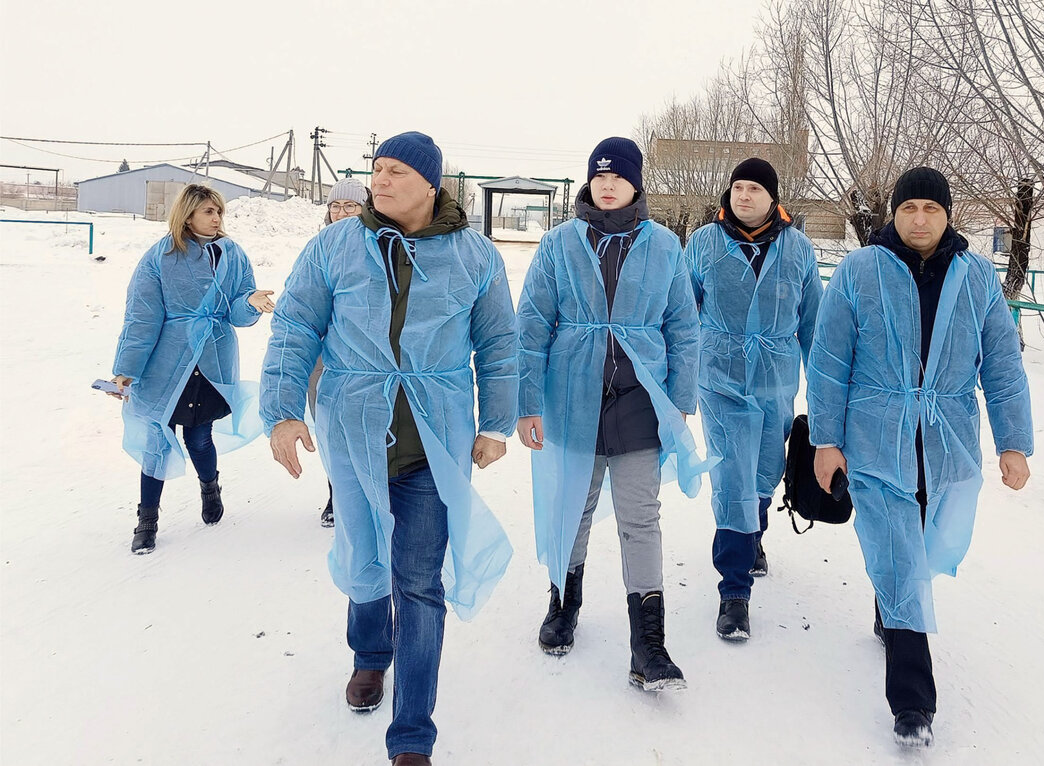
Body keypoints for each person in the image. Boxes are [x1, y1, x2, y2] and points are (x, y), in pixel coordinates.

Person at [260, 132, 517, 766]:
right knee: (363, 554)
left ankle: (412, 734)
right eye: (377, 169)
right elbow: (295, 325)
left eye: (396, 170)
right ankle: (371, 655)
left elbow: (500, 343)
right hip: (354, 429)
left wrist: (496, 425)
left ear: (432, 184)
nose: (380, 179)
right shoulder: (335, 246)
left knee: (420, 581)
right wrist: (283, 411)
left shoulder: (474, 255)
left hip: (435, 439)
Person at [806, 167, 1033, 748]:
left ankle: (891, 605)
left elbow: (1002, 365)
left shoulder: (977, 276)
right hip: (877, 438)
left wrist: (1013, 443)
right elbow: (830, 360)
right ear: (895, 213)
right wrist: (826, 439)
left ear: (948, 214)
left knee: (924, 547)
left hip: (945, 441)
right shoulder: (860, 271)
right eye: (910, 209)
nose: (921, 219)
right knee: (900, 555)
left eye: (932, 208)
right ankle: (913, 702)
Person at [516, 137, 710, 691]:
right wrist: (529, 403)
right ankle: (563, 603)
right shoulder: (559, 244)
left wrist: (680, 401)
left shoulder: (666, 246)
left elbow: (683, 329)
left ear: (635, 183)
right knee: (572, 510)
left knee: (640, 518)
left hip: (639, 400)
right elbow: (531, 325)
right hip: (572, 397)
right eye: (598, 176)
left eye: (617, 176)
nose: (606, 184)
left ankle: (648, 645)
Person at [684, 158, 823, 641]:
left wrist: (825, 395)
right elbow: (682, 316)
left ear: (773, 198)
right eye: (737, 187)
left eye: (754, 189)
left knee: (765, 470)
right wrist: (677, 382)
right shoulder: (703, 243)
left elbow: (814, 328)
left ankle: (754, 535)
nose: (743, 196)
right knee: (732, 476)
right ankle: (734, 590)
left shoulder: (798, 249)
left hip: (776, 380)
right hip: (718, 374)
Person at [110, 183, 273, 554]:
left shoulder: (231, 254)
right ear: (187, 214)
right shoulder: (160, 257)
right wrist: (126, 369)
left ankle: (209, 487)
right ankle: (147, 519)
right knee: (156, 438)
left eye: (219, 212)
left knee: (199, 437)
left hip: (212, 357)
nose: (216, 219)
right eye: (208, 212)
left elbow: (236, 310)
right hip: (165, 361)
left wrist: (250, 301)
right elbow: (141, 318)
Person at [309, 177, 370, 527]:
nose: (341, 212)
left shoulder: (378, 245)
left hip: (363, 356)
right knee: (330, 426)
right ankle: (335, 493)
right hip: (325, 354)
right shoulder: (319, 247)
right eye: (335, 206)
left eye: (350, 205)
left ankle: (367, 493)